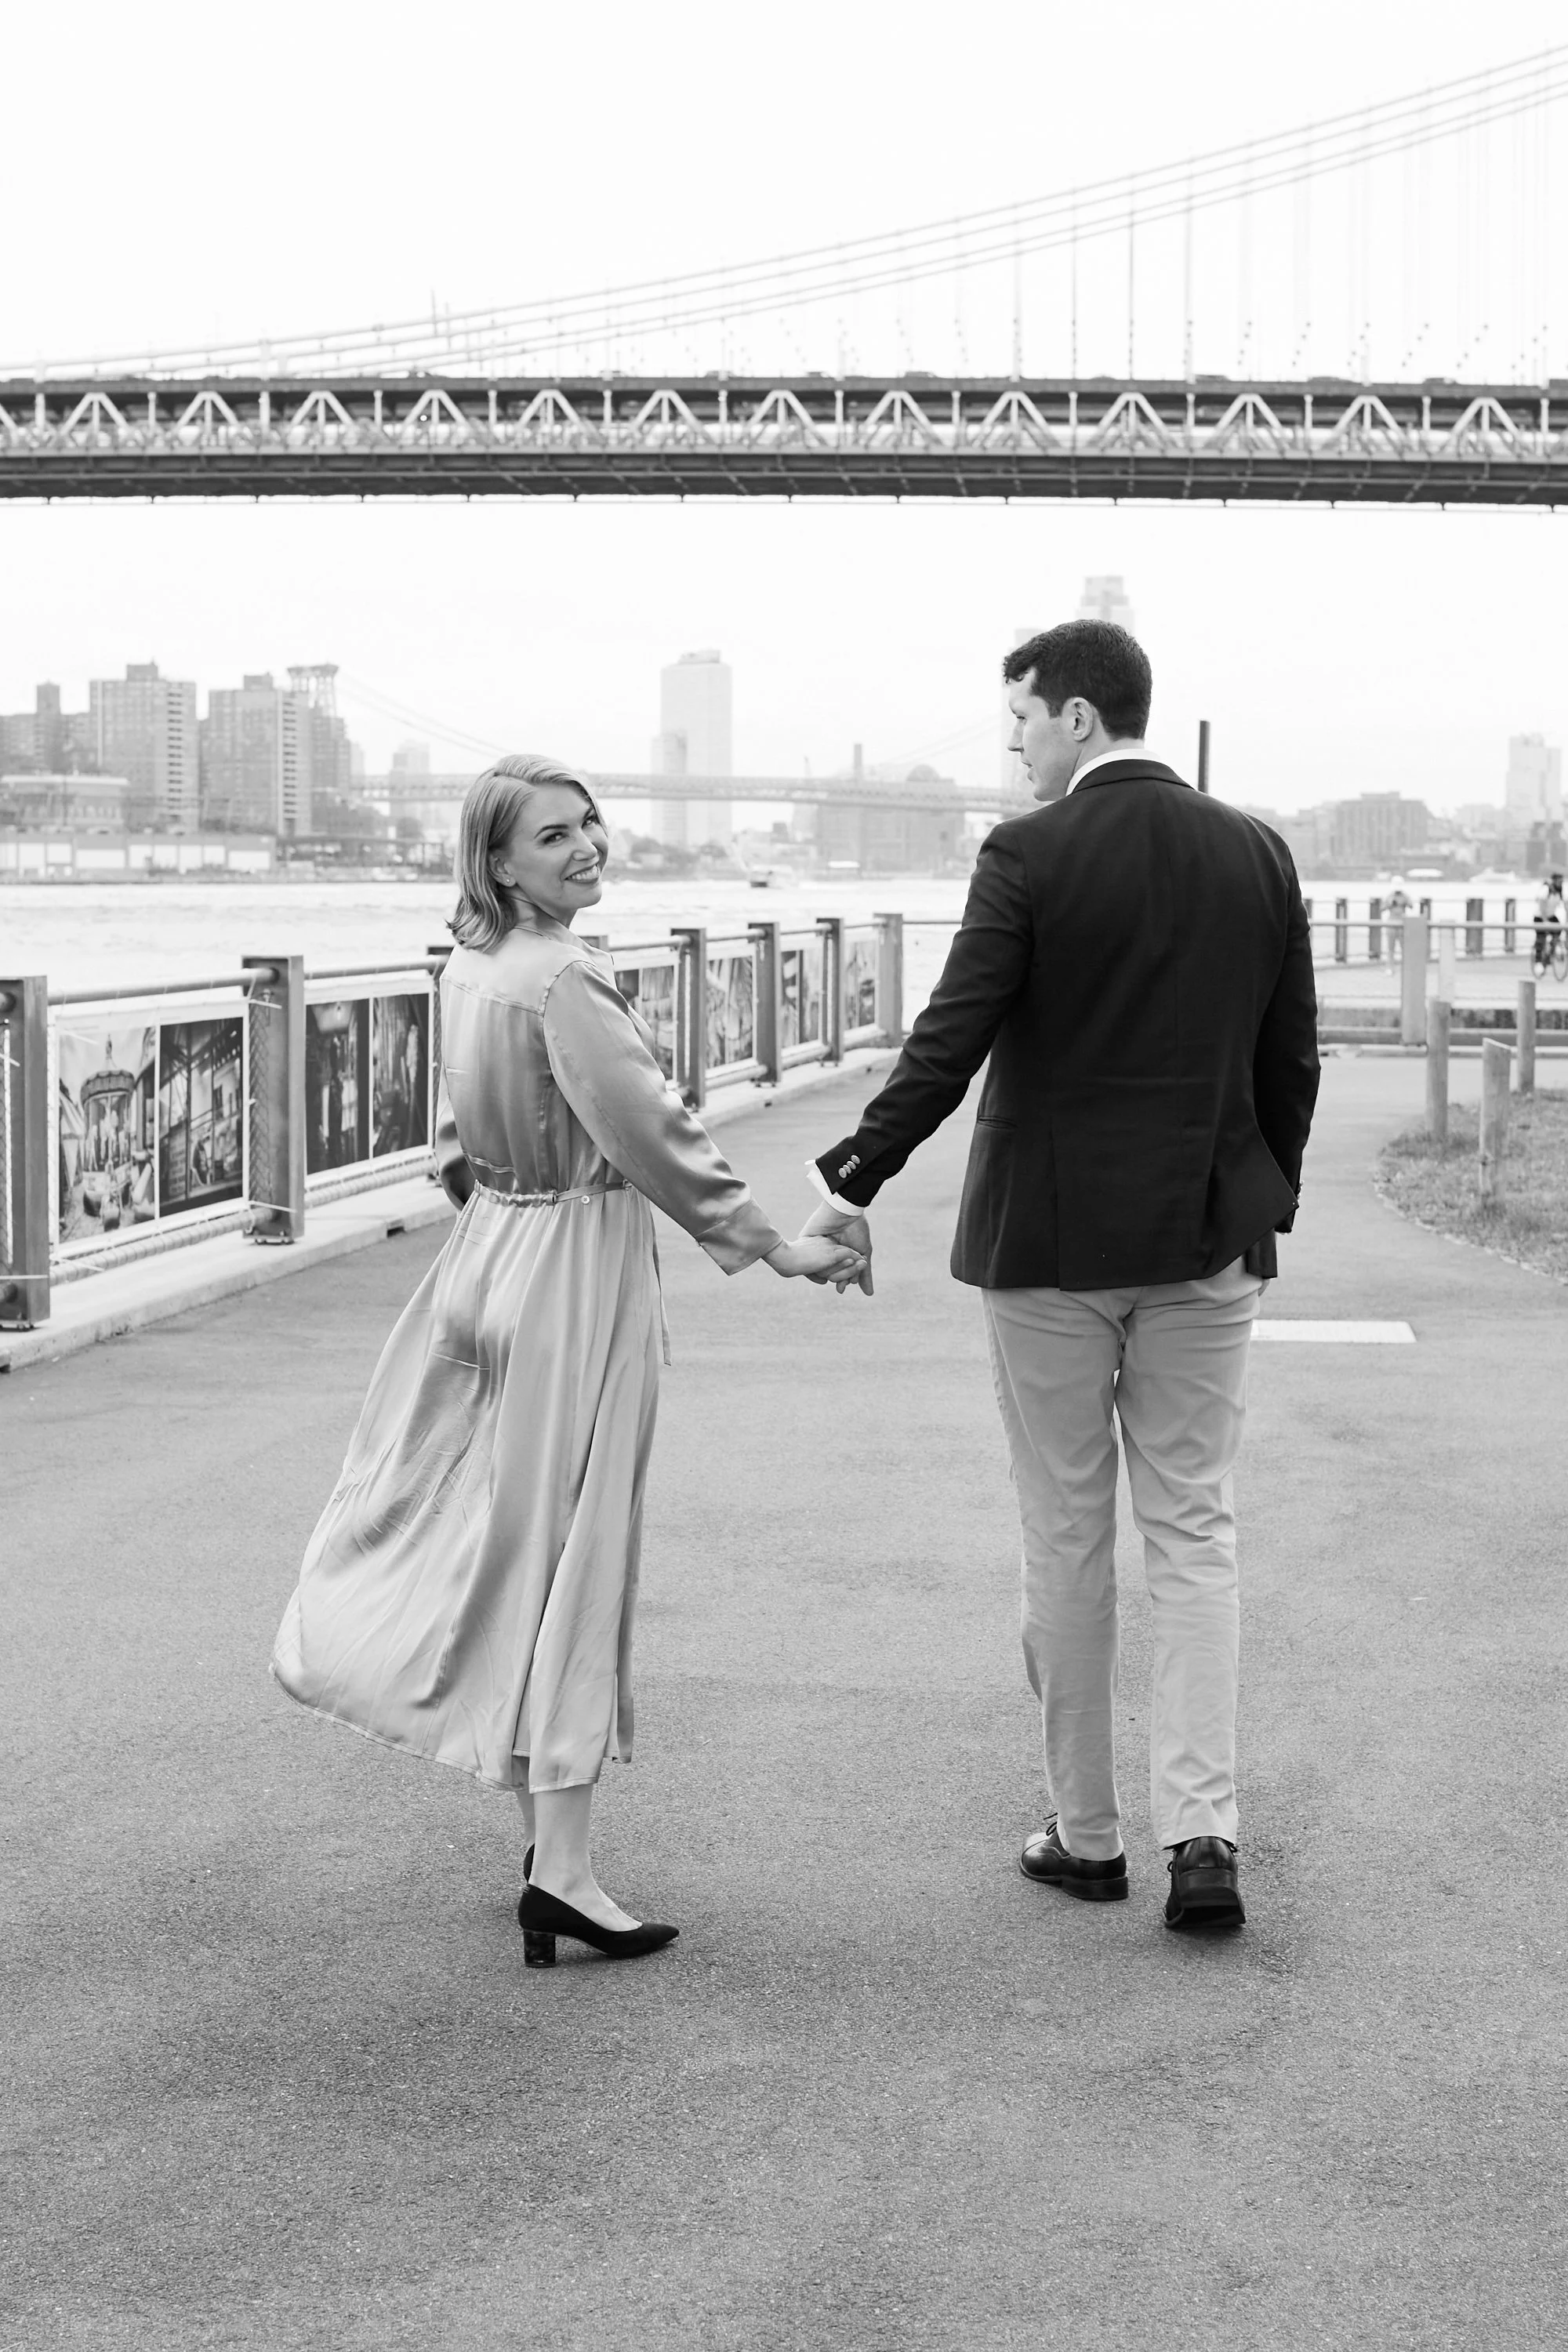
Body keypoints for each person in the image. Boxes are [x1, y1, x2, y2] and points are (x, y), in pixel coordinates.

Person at [271, 753, 864, 1968]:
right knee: (579, 1560)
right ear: (498, 860)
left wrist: (501, 1201)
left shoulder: (471, 966)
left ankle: (549, 1848)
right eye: (553, 837)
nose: (586, 847)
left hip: (490, 1247)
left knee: (489, 1532)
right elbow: (654, 1134)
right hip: (573, 1272)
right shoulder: (567, 980)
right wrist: (778, 1250)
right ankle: (570, 1871)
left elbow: (455, 1137)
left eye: (589, 825)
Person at [798, 621, 1319, 1931]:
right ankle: (1203, 1835)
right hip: (1208, 1244)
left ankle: (1088, 1838)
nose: (1016, 745)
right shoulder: (1256, 850)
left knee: (1069, 1539)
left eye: (1022, 719)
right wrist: (1265, 1193)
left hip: (1047, 1252)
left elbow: (953, 1034)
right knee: (1197, 1533)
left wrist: (854, 1176)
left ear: (1079, 717)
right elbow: (1291, 1059)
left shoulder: (1029, 854)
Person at [1534, 871, 1565, 969]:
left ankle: (1550, 953)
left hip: (1551, 916)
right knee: (1541, 938)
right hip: (1540, 916)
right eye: (1559, 881)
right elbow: (1541, 906)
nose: (1560, 883)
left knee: (1558, 931)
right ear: (1554, 881)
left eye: (1562, 881)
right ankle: (1538, 961)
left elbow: (1565, 905)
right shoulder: (1546, 889)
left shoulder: (1560, 890)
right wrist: (1545, 920)